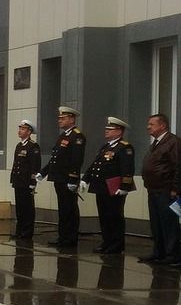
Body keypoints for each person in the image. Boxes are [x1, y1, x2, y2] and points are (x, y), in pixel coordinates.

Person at [82, 117, 136, 254]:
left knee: (114, 216)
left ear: (119, 131)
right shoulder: (105, 146)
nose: (106, 131)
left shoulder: (124, 147)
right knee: (104, 216)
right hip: (101, 187)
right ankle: (107, 242)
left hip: (114, 188)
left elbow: (127, 169)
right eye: (107, 129)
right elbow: (95, 164)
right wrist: (85, 179)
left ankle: (116, 244)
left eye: (110, 129)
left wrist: (125, 186)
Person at [36, 106, 86, 247]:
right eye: (59, 118)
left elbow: (76, 160)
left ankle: (70, 238)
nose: (59, 121)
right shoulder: (63, 136)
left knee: (70, 208)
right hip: (59, 177)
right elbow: (55, 159)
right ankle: (63, 236)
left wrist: (73, 178)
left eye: (62, 118)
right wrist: (43, 172)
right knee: (63, 209)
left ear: (71, 119)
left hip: (67, 178)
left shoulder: (77, 137)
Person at [140, 113, 181, 264]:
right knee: (156, 223)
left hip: (166, 189)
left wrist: (175, 189)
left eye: (151, 124)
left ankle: (173, 256)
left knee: (168, 223)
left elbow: (178, 166)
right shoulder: (157, 142)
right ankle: (159, 252)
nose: (148, 127)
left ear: (162, 125)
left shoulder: (173, 142)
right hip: (154, 189)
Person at [9, 120, 42, 239]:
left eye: (23, 129)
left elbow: (35, 166)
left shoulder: (33, 146)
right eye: (20, 128)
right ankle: (19, 230)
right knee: (20, 207)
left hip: (27, 181)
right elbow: (16, 164)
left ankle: (27, 231)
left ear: (29, 132)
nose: (20, 131)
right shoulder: (19, 145)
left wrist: (33, 182)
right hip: (18, 181)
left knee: (27, 207)